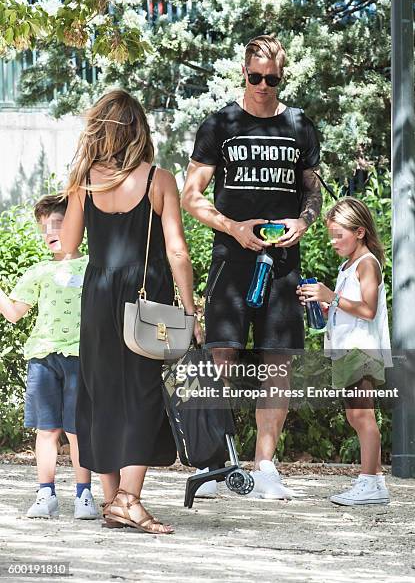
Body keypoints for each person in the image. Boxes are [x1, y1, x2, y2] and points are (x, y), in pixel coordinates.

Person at [182, 35, 322, 499]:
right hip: (232, 260)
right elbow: (190, 197)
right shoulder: (220, 123)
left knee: (277, 364)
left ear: (283, 75)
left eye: (273, 78)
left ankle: (265, 466)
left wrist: (303, 222)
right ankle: (217, 467)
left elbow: (313, 192)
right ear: (244, 72)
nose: (264, 86)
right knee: (222, 356)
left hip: (282, 264)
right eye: (255, 77)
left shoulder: (300, 125)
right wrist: (233, 227)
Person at [60, 89, 201, 534]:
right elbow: (177, 251)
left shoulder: (85, 180)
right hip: (148, 298)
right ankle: (129, 500)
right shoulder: (159, 180)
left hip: (99, 296)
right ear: (139, 129)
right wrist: (192, 310)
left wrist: (74, 188)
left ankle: (111, 500)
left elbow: (67, 246)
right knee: (141, 394)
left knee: (99, 393)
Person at [0, 194, 98, 519]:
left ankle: (84, 496)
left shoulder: (93, 265)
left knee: (77, 430)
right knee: (47, 430)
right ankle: (46, 495)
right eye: (45, 228)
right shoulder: (38, 271)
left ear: (77, 227)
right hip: (42, 358)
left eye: (58, 224)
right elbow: (14, 313)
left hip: (80, 357)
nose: (50, 232)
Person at [297, 197, 391, 506]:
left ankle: (371, 484)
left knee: (363, 417)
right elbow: (347, 308)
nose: (333, 240)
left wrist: (331, 296)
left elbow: (368, 309)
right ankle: (373, 482)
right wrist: (325, 307)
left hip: (361, 350)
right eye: (331, 234)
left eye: (340, 234)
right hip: (346, 349)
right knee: (355, 415)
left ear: (360, 231)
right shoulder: (348, 265)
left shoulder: (367, 264)